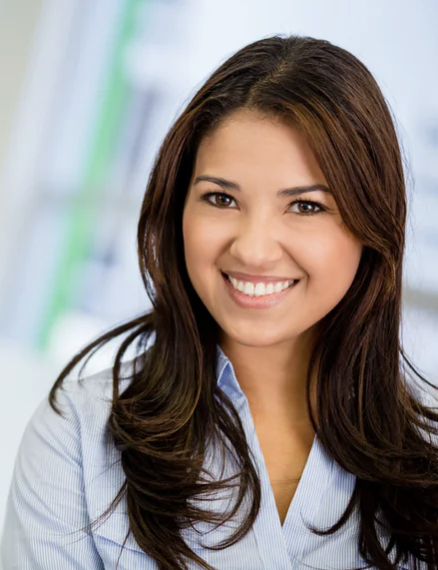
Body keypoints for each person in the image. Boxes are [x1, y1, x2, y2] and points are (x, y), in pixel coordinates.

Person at [1, 34, 438, 570]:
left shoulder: (428, 467)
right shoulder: (77, 442)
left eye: (304, 206)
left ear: (372, 225)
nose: (252, 249)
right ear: (176, 206)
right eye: (221, 198)